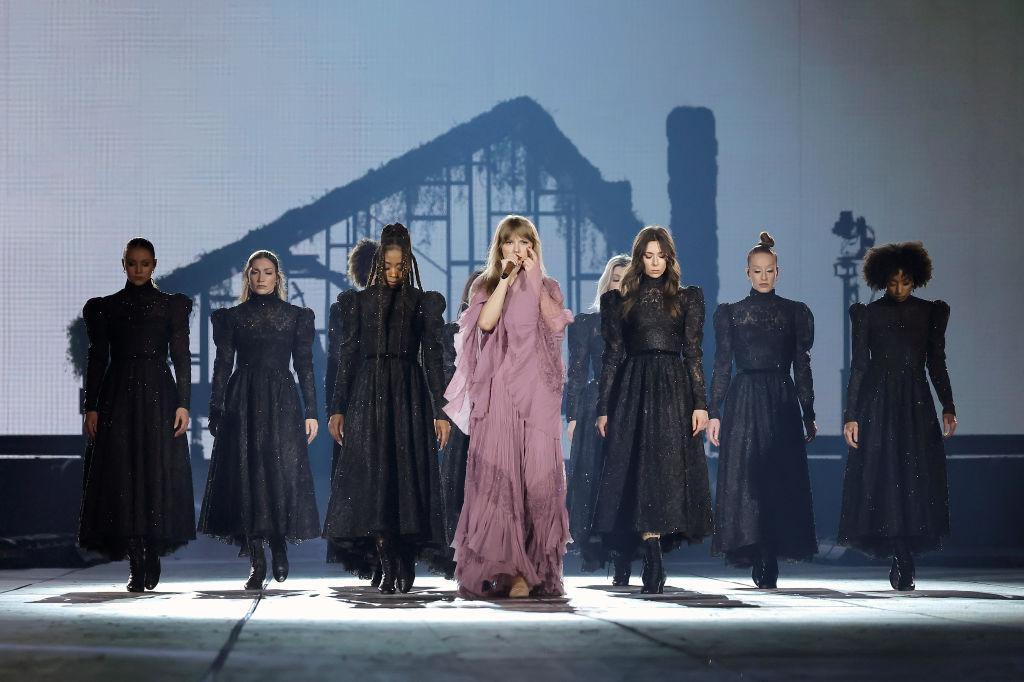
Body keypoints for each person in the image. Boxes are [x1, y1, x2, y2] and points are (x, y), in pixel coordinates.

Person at [444, 215, 573, 598]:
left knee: (537, 478)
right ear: (500, 247)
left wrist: (531, 279)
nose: (518, 249)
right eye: (510, 242)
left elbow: (553, 327)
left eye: (525, 242)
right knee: (503, 478)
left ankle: (534, 567)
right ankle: (509, 571)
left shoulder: (548, 286)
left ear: (534, 246)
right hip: (499, 391)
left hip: (536, 395)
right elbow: (484, 323)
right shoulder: (487, 284)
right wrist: (504, 279)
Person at [323, 223, 449, 595]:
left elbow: (433, 357)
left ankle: (402, 557)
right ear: (379, 261)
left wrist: (441, 411)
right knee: (372, 480)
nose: (394, 273)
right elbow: (346, 357)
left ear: (409, 263)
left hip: (408, 394)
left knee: (403, 479)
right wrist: (338, 408)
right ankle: (387, 557)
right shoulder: (357, 303)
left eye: (400, 266)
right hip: (367, 393)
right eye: (388, 265)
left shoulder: (423, 302)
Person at [594, 226, 713, 594]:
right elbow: (612, 356)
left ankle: (656, 548)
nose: (655, 262)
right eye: (648, 255)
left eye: (661, 255)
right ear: (639, 258)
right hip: (634, 387)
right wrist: (604, 407)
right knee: (640, 470)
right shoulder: (621, 300)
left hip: (674, 388)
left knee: (666, 470)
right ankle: (650, 552)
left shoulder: (687, 297)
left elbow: (693, 352)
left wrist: (700, 404)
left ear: (670, 257)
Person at [198, 249, 320, 590]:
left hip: (282, 399)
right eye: (255, 272)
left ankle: (279, 543)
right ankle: (257, 561)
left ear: (277, 277)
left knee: (280, 473)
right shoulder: (231, 318)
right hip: (244, 401)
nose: (262, 278)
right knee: (246, 477)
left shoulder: (296, 316)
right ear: (247, 278)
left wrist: (312, 411)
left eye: (267, 272)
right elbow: (222, 365)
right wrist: (216, 409)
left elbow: (305, 366)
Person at [79, 237, 195, 592]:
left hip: (160, 395)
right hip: (119, 396)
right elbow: (98, 359)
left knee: (154, 471)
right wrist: (92, 406)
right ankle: (136, 559)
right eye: (133, 263)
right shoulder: (106, 308)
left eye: (145, 263)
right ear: (124, 265)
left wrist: (184, 403)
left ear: (154, 265)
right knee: (122, 476)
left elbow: (181, 356)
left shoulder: (170, 306)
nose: (139, 269)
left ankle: (151, 550)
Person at [839, 241, 956, 591]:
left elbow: (936, 363)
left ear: (916, 279)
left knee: (915, 475)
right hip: (879, 402)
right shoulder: (869, 314)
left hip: (916, 402)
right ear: (882, 281)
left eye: (905, 282)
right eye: (892, 282)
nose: (899, 289)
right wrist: (852, 414)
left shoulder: (929, 313)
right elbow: (859, 366)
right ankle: (898, 552)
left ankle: (905, 553)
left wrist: (948, 405)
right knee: (886, 474)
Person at [706, 232, 818, 588]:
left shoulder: (794, 313)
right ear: (748, 273)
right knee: (748, 479)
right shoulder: (732, 314)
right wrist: (714, 410)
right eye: (757, 271)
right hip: (743, 399)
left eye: (769, 270)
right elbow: (722, 364)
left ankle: (769, 552)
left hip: (781, 400)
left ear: (778, 272)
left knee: (777, 477)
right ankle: (757, 550)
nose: (764, 276)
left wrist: (808, 410)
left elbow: (802, 363)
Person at [565, 254, 630, 580]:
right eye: (616, 278)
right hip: (594, 408)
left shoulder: (641, 324)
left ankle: (623, 553)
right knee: (594, 479)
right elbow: (576, 372)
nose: (620, 284)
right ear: (607, 281)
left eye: (626, 278)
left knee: (625, 480)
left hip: (631, 403)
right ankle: (598, 547)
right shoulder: (588, 323)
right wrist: (573, 414)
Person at [324, 239, 380, 583]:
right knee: (356, 481)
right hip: (355, 401)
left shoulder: (402, 304)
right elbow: (336, 361)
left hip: (390, 398)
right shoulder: (344, 308)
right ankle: (366, 554)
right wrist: (336, 408)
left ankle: (385, 551)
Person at [439, 269, 484, 574]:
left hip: (495, 416)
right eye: (477, 288)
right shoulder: (450, 331)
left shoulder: (508, 330)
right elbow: (441, 373)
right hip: (459, 417)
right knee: (456, 487)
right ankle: (458, 556)